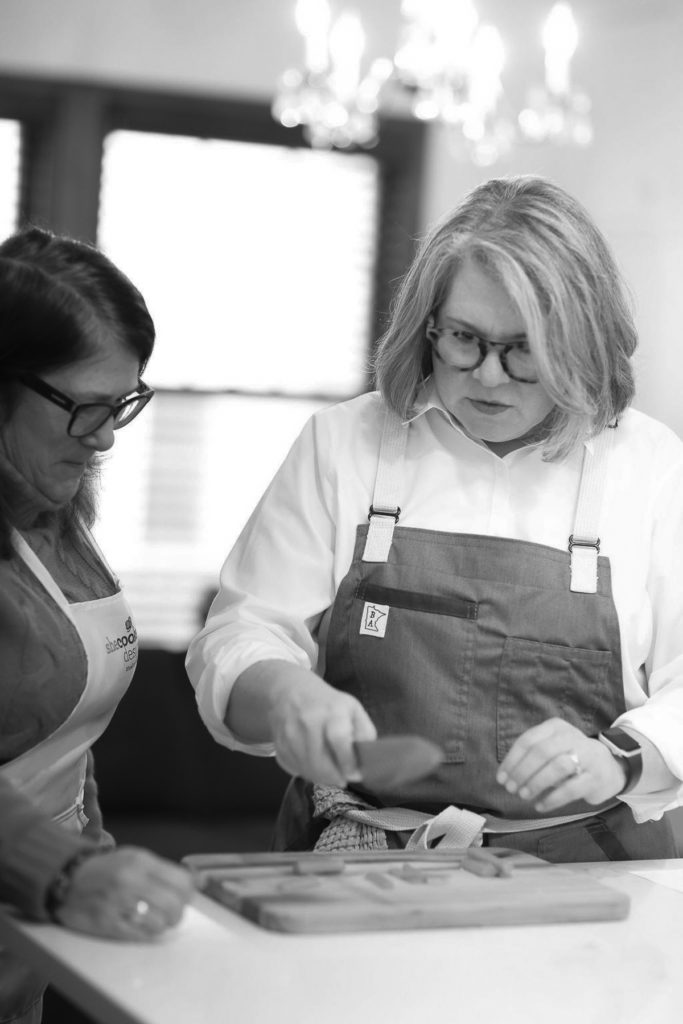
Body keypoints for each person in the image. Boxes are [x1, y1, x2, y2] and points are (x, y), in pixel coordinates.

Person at [186, 174, 683, 862]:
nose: (486, 375)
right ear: (428, 326)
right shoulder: (346, 443)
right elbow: (241, 633)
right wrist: (282, 690)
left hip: (592, 864)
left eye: (523, 349)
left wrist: (620, 758)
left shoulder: (652, 468)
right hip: (364, 858)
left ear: (581, 342)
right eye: (463, 339)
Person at [0, 227, 194, 1024]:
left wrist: (93, 859)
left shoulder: (55, 506)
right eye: (86, 408)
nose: (108, 435)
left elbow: (63, 748)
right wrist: (66, 873)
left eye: (122, 404)